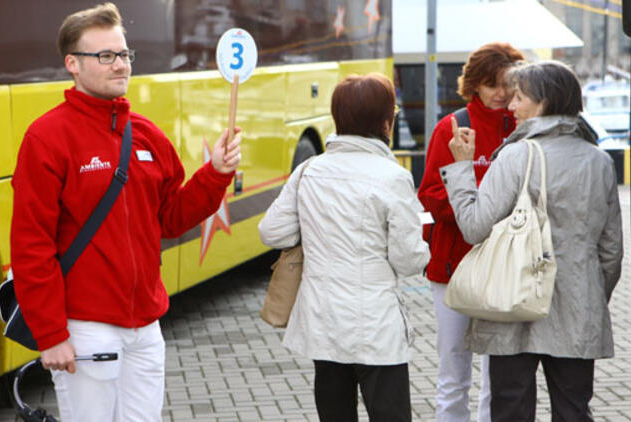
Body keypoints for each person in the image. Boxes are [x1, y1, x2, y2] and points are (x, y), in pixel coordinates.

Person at [10, 3, 241, 421]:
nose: (120, 65)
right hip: (84, 327)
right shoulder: (46, 138)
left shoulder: (148, 135)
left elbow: (171, 218)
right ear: (72, 64)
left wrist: (217, 174)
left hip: (146, 327)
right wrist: (51, 335)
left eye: (123, 54)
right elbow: (31, 247)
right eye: (105, 56)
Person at [443, 60, 623, 421]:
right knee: (574, 410)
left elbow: (475, 227)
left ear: (545, 102)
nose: (511, 107)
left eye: (520, 97)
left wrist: (462, 167)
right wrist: (589, 296)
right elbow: (611, 251)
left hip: (513, 304)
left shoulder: (516, 155)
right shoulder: (599, 161)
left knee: (510, 409)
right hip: (579, 307)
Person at [258, 73, 430, 422]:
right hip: (377, 327)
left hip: (323, 322)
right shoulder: (392, 176)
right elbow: (409, 259)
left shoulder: (309, 170)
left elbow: (271, 231)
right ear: (386, 121)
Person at [417, 42, 524, 422]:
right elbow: (428, 194)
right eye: (491, 84)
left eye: (508, 85)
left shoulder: (523, 129)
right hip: (453, 267)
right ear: (474, 84)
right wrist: (473, 211)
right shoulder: (453, 126)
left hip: (506, 269)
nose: (501, 94)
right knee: (453, 372)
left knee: (500, 378)